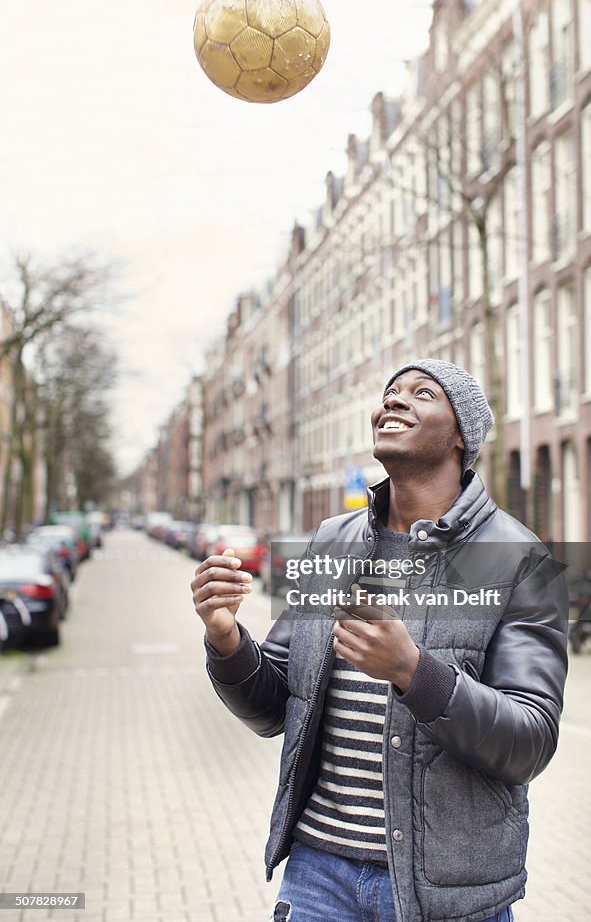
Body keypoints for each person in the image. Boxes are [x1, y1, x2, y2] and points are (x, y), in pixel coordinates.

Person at [191, 359, 569, 922]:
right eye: (390, 393)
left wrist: (415, 673)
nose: (394, 401)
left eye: (421, 393)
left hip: (447, 892)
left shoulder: (520, 560)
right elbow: (275, 709)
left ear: (462, 432)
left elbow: (529, 742)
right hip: (320, 873)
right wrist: (226, 640)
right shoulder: (331, 542)